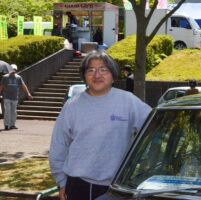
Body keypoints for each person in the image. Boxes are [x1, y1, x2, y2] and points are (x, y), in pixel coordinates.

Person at [49, 51, 152, 200]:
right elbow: (58, 146)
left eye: (103, 69)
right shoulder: (72, 106)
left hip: (117, 187)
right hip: (78, 185)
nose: (97, 75)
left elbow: (154, 127)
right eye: (91, 70)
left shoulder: (128, 101)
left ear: (113, 75)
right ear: (84, 76)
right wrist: (61, 182)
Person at [0, 64, 33, 130]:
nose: (14, 71)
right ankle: (6, 125)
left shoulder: (18, 77)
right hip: (7, 97)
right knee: (7, 111)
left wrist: (28, 93)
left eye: (15, 70)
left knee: (14, 112)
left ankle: (12, 125)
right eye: (12, 69)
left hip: (15, 97)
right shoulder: (5, 77)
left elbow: (23, 86)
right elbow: (1, 86)